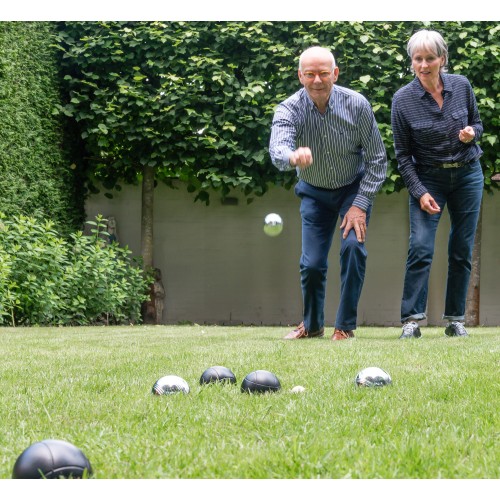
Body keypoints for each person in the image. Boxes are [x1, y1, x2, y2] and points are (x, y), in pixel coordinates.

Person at [269, 46, 387, 341]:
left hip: (352, 190)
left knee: (352, 249)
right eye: (310, 74)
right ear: (300, 76)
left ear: (335, 73)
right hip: (314, 193)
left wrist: (360, 204)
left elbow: (376, 160)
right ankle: (312, 325)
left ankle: (345, 327)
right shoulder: (288, 109)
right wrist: (292, 157)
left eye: (323, 73)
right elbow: (277, 147)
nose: (317, 80)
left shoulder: (357, 104)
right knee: (311, 264)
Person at [391, 29, 484, 339]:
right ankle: (411, 321)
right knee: (420, 247)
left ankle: (455, 320)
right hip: (429, 178)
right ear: (412, 62)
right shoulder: (402, 100)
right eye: (418, 58)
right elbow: (403, 156)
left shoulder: (462, 86)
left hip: (468, 175)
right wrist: (419, 191)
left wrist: (472, 132)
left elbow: (478, 123)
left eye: (430, 58)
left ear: (442, 59)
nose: (423, 64)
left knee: (461, 248)